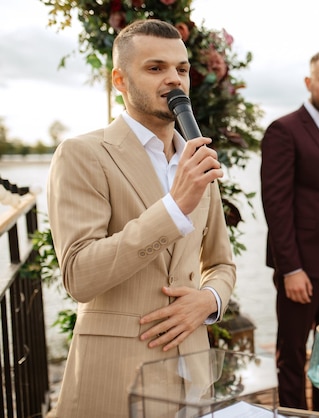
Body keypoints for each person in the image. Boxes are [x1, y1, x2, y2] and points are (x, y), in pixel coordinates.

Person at [46, 19, 236, 418]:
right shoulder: (82, 154)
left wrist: (208, 299)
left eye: (181, 69)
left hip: (194, 376)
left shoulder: (197, 159)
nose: (174, 80)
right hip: (115, 378)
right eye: (155, 68)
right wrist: (173, 208)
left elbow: (220, 263)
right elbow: (79, 275)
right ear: (119, 80)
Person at [260, 49, 319, 413]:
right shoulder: (284, 131)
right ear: (309, 83)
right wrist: (291, 268)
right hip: (300, 266)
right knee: (292, 353)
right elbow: (277, 205)